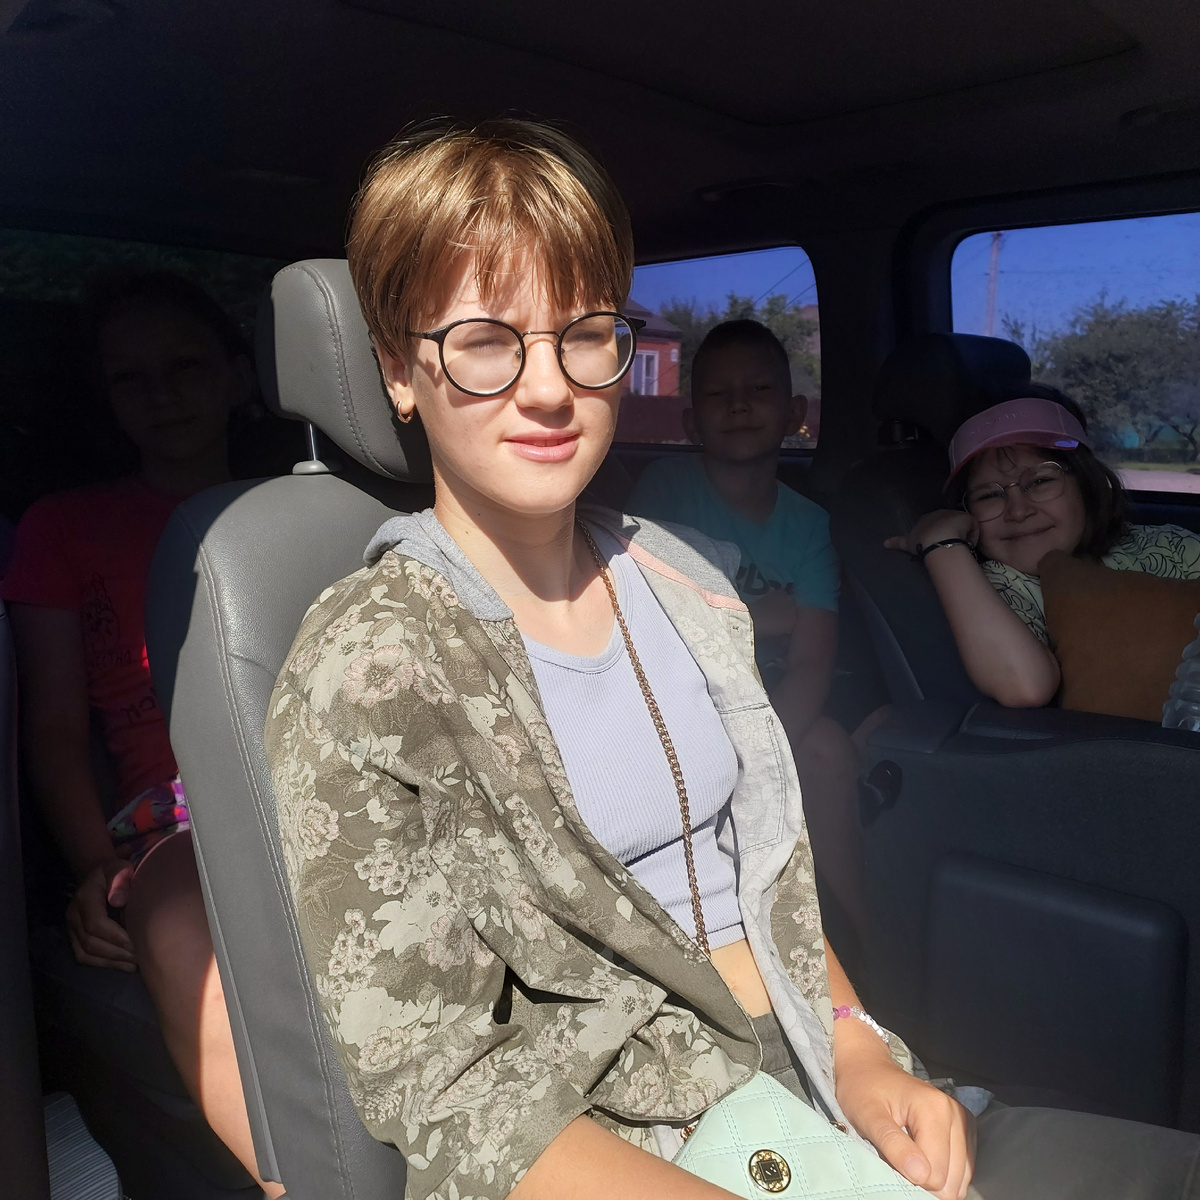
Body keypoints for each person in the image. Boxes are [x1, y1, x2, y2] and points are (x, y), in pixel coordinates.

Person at [265, 118, 1200, 1200]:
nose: (549, 386)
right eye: (485, 341)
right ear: (398, 369)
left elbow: (768, 872)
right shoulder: (367, 665)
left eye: (585, 333)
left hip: (814, 1079)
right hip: (641, 1144)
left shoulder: (681, 580)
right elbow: (448, 1091)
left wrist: (857, 1048)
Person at [5, 271, 284, 1195]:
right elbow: (53, 727)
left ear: (238, 377)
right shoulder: (62, 527)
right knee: (177, 926)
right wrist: (99, 868)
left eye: (186, 366)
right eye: (131, 378)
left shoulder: (298, 510)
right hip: (173, 813)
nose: (162, 393)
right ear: (107, 398)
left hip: (312, 772)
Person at [627, 320, 868, 945]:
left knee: (827, 748)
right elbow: (653, 619)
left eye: (759, 389)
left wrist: (762, 757)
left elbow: (812, 660)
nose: (738, 405)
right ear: (691, 423)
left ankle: (854, 936)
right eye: (718, 394)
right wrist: (762, 615)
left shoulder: (810, 526)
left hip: (772, 698)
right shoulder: (665, 492)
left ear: (795, 414)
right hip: (679, 699)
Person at [887, 389, 1200, 708]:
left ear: (1087, 484)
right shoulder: (998, 587)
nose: (1018, 511)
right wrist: (943, 545)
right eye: (988, 496)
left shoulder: (1170, 545)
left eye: (1040, 482)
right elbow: (1024, 686)